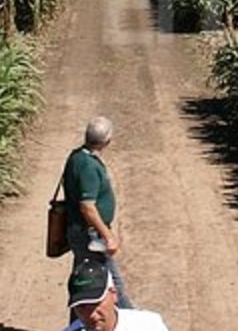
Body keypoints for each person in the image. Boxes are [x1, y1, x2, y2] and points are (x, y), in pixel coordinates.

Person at [63, 116, 131, 308]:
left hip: (84, 232)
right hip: (90, 236)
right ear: (107, 141)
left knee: (83, 286)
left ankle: (77, 325)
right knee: (113, 285)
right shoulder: (88, 166)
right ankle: (133, 321)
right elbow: (87, 207)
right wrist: (107, 235)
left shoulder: (77, 156)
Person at [62, 260, 168, 331]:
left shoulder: (148, 325)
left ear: (113, 294)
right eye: (81, 307)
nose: (91, 314)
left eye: (96, 303)